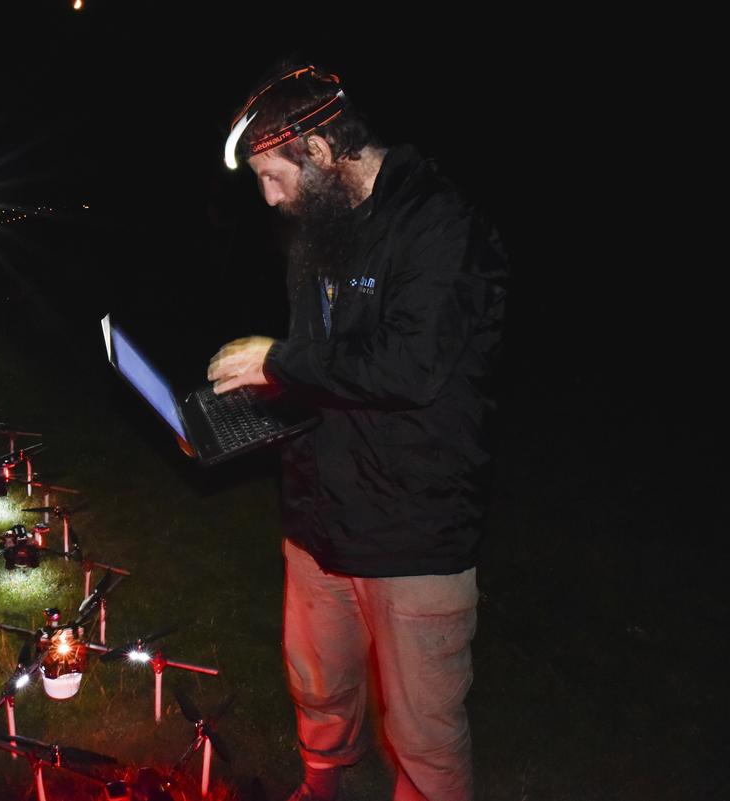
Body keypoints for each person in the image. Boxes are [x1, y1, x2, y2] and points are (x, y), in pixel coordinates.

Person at [207, 63, 508, 801]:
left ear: (315, 150)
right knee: (319, 683)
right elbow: (327, 366)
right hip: (320, 515)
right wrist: (254, 408)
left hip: (412, 528)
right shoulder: (322, 227)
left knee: (423, 732)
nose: (271, 199)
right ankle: (321, 786)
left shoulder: (440, 223)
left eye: (273, 178)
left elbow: (410, 366)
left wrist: (277, 358)